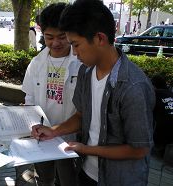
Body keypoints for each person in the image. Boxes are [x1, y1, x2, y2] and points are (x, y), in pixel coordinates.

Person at [32, 0, 155, 186]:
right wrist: (53, 131)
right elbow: (82, 115)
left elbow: (139, 149)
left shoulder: (132, 86)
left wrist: (87, 149)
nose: (74, 52)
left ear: (100, 38)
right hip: (86, 173)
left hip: (119, 178)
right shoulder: (86, 72)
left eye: (76, 44)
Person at [22, 3, 81, 186]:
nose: (55, 43)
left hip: (70, 138)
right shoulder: (36, 63)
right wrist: (33, 124)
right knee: (44, 178)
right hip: (43, 137)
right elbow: (29, 99)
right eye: (49, 37)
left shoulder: (81, 62)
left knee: (68, 179)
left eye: (62, 37)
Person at [151, 75, 173, 157]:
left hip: (163, 130)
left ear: (154, 85)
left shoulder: (154, 94)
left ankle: (159, 148)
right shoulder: (171, 94)